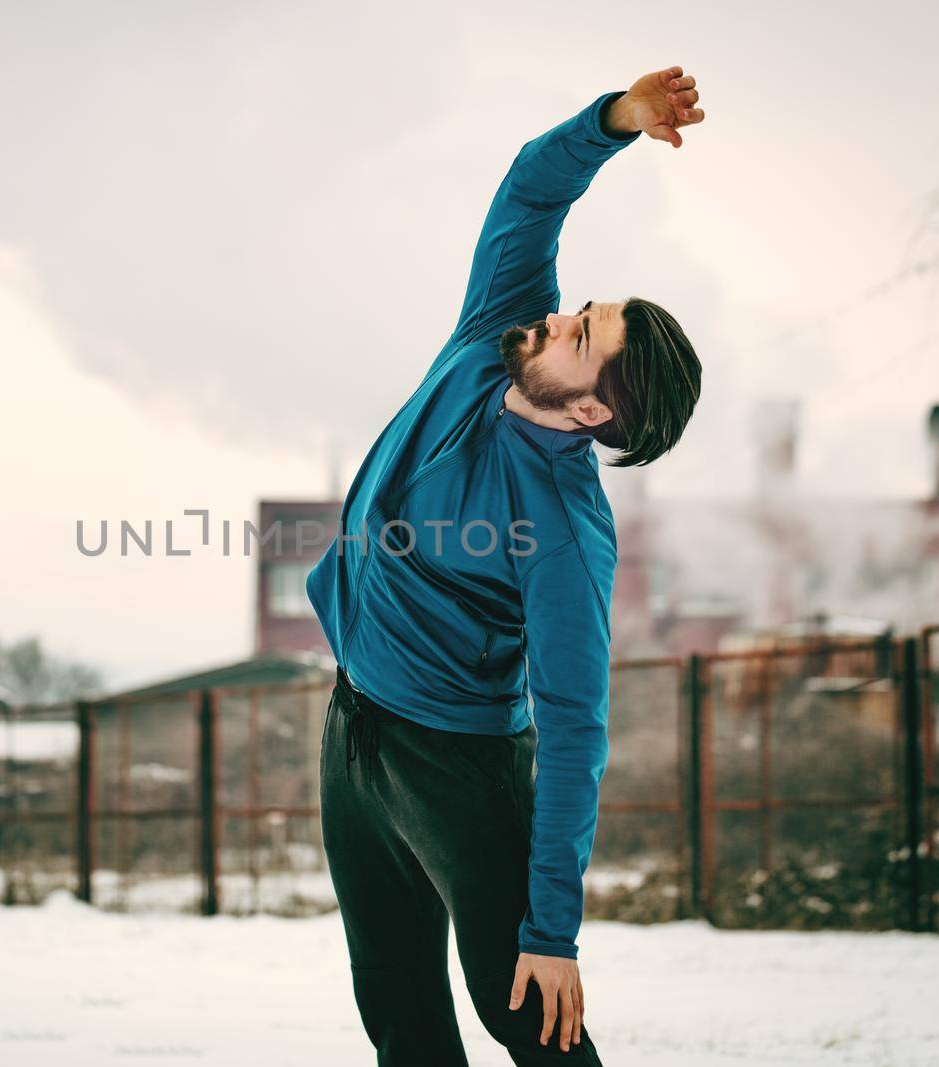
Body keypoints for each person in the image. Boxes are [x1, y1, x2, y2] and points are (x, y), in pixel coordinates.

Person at [307, 65, 706, 1065]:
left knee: (521, 1006)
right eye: (585, 307)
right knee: (396, 1005)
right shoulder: (499, 331)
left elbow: (574, 725)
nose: (563, 316)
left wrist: (553, 929)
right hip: (354, 727)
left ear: (588, 412)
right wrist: (618, 119)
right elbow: (532, 190)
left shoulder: (566, 531)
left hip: (460, 766)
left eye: (584, 334)